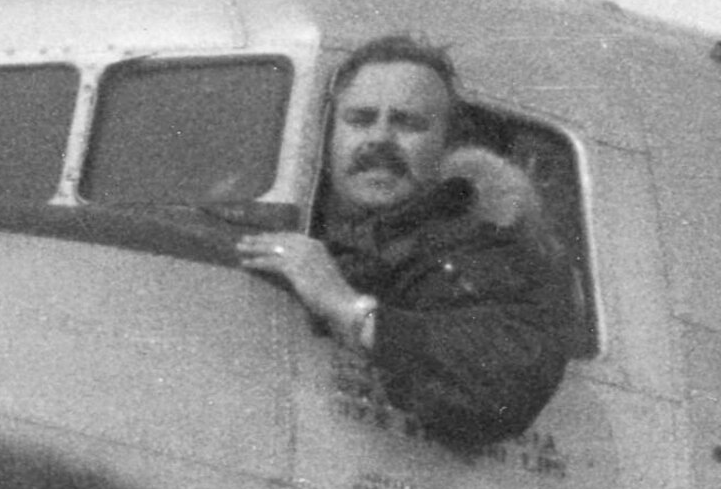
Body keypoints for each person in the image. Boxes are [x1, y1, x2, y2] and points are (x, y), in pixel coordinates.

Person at [237, 35, 569, 448]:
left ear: (446, 144)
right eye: (359, 119)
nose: (379, 140)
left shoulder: (488, 252)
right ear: (328, 133)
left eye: (408, 123)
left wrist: (348, 309)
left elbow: (502, 389)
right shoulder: (280, 224)